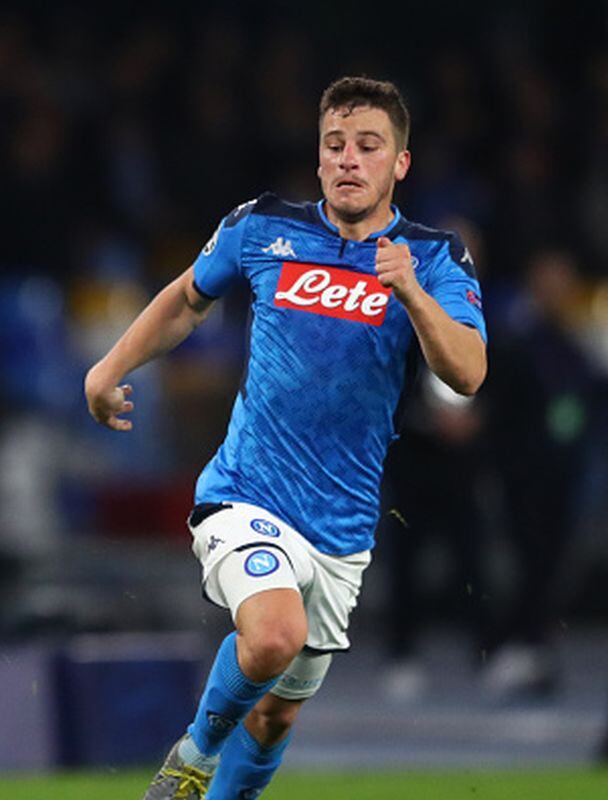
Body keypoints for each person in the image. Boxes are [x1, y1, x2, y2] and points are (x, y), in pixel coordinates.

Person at [85, 77, 487, 800]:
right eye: (335, 145)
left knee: (274, 716)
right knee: (274, 636)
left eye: (369, 147)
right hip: (247, 491)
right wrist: (109, 367)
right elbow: (186, 297)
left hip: (342, 525)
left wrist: (413, 297)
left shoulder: (432, 258)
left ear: (400, 164)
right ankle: (194, 755)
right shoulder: (263, 226)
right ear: (318, 156)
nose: (348, 161)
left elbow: (467, 373)